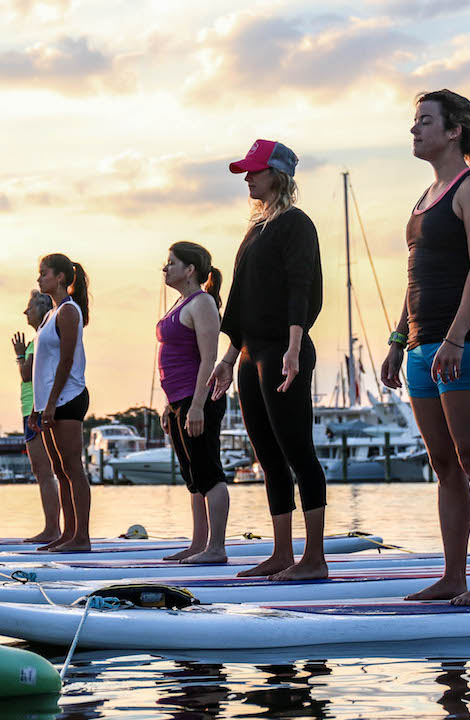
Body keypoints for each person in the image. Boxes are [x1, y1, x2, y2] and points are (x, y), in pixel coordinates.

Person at [381, 89, 470, 606]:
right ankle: (454, 577)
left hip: (465, 346)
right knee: (444, 467)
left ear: (454, 130)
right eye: (414, 122)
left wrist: (455, 337)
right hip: (420, 348)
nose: (415, 130)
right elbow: (415, 281)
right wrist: (398, 340)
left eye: (424, 121)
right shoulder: (423, 198)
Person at [209, 139, 328, 581]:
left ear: (277, 174)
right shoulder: (255, 228)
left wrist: (295, 347)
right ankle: (282, 553)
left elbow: (300, 287)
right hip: (249, 353)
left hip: (283, 350)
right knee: (268, 458)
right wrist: (227, 357)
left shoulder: (296, 224)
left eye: (255, 171)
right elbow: (239, 299)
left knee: (299, 452)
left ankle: (314, 559)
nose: (247, 177)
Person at [157, 242, 231, 563]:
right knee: (193, 478)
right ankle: (198, 544)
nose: (165, 267)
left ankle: (217, 548)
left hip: (196, 399)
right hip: (178, 401)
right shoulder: (180, 302)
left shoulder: (201, 303)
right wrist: (168, 406)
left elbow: (209, 357)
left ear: (190, 270)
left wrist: (198, 404)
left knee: (209, 473)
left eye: (171, 263)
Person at [29, 254, 92, 551]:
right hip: (49, 402)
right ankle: (67, 534)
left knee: (72, 468)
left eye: (44, 273)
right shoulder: (49, 315)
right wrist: (36, 408)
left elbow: (66, 362)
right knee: (59, 469)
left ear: (61, 278)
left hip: (69, 398)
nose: (39, 278)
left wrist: (51, 404)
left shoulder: (68, 311)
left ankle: (82, 537)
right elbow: (42, 367)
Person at [12, 290, 62, 543]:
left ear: (41, 310)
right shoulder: (38, 340)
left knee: (45, 472)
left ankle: (52, 529)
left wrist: (20, 354)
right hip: (33, 409)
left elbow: (26, 375)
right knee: (44, 471)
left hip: (37, 410)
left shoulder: (37, 341)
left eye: (28, 307)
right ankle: (53, 528)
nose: (25, 312)